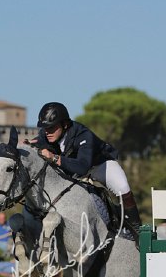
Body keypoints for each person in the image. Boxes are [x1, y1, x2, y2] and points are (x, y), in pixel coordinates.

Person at [30, 102, 142, 240]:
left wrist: (54, 157)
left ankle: (137, 229)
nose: (47, 132)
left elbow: (83, 166)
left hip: (99, 165)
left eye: (52, 127)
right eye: (45, 128)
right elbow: (37, 142)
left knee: (122, 187)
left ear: (65, 125)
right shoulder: (46, 134)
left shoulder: (84, 135)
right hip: (73, 170)